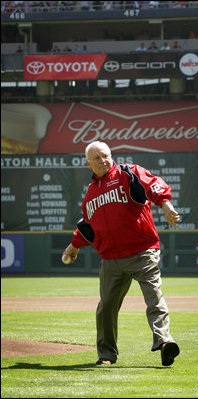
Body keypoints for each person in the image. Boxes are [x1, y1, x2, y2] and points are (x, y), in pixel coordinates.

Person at [62, 141, 180, 367]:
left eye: (105, 156)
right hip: (111, 260)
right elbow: (88, 226)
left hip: (142, 252)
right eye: (97, 158)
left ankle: (165, 343)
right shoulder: (91, 194)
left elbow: (153, 184)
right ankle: (106, 355)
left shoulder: (128, 173)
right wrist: (74, 245)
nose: (103, 161)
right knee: (106, 307)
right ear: (88, 164)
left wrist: (165, 205)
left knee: (154, 298)